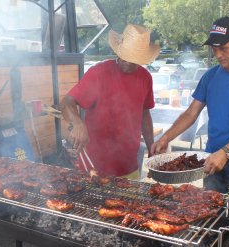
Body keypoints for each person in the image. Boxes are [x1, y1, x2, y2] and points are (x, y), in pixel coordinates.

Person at [151, 16, 229, 247]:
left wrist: (226, 152)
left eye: (223, 48)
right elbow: (191, 113)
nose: (218, 55)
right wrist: (166, 137)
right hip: (212, 161)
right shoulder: (211, 76)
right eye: (214, 49)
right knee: (210, 221)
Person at [60, 24, 160, 179]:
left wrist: (152, 151)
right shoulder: (98, 73)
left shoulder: (145, 78)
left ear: (141, 59)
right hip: (93, 167)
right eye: (124, 56)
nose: (126, 62)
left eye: (132, 59)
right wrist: (78, 123)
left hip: (129, 166)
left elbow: (145, 114)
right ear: (118, 51)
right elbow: (67, 102)